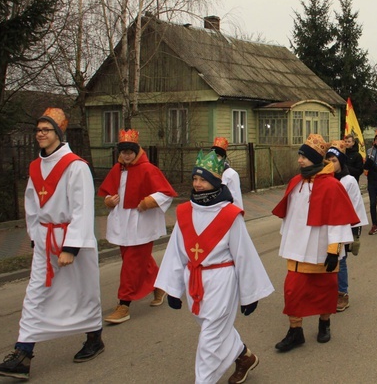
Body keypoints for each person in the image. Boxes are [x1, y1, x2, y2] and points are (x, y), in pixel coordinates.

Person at [0, 108, 104, 380]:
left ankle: (94, 338)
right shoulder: (35, 166)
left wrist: (71, 247)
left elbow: (83, 208)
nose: (40, 133)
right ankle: (22, 355)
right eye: (38, 129)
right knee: (35, 294)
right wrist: (35, 237)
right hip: (45, 240)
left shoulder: (76, 166)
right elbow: (32, 206)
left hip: (71, 241)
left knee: (83, 292)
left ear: (58, 134)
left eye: (46, 129)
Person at [154, 149, 274, 384]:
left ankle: (204, 380)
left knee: (210, 337)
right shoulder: (184, 212)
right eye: (195, 179)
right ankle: (243, 356)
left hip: (220, 280)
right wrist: (173, 288)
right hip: (194, 281)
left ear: (216, 181)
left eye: (204, 180)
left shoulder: (230, 215)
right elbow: (176, 253)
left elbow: (244, 255)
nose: (197, 184)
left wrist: (250, 294)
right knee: (215, 329)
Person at [272, 134, 361, 352]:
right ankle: (295, 331)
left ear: (314, 158)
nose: (299, 160)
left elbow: (338, 218)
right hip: (297, 250)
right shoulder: (296, 182)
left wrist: (334, 250)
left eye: (304, 156)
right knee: (292, 290)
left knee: (324, 290)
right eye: (300, 156)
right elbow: (290, 216)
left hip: (321, 248)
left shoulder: (332, 186)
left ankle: (324, 324)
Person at [98, 129, 177, 324]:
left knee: (132, 264)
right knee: (137, 260)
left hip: (141, 223)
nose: (126, 155)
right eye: (123, 151)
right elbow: (108, 191)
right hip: (122, 223)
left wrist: (149, 201)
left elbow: (166, 193)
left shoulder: (148, 169)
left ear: (137, 151)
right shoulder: (117, 169)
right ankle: (159, 287)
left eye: (129, 152)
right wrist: (108, 200)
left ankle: (124, 304)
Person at [326, 141, 369, 312]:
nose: (330, 164)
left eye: (334, 160)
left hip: (342, 225)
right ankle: (327, 292)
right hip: (325, 226)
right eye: (327, 160)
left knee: (340, 260)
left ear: (341, 162)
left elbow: (353, 206)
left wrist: (352, 230)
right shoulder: (322, 180)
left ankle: (342, 294)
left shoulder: (349, 181)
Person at [211, 137, 244, 210]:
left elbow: (236, 198)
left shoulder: (231, 174)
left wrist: (237, 215)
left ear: (223, 157)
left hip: (227, 211)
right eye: (213, 156)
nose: (215, 159)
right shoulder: (209, 173)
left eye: (218, 156)